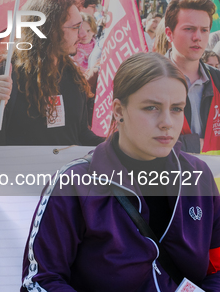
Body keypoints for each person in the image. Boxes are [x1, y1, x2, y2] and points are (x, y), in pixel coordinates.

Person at [21, 52, 220, 291]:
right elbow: (40, 281)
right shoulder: (74, 183)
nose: (167, 121)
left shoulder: (198, 175)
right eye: (151, 108)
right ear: (118, 110)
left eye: (177, 109)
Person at [0, 0, 103, 146]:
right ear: (49, 30)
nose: (82, 34)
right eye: (75, 27)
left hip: (65, 170)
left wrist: (114, 142)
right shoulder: (2, 79)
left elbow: (80, 134)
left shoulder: (73, 76)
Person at [164, 0, 220, 154]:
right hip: (166, 177)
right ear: (169, 33)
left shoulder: (217, 79)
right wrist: (194, 145)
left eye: (204, 30)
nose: (197, 37)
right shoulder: (148, 81)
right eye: (189, 29)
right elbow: (138, 139)